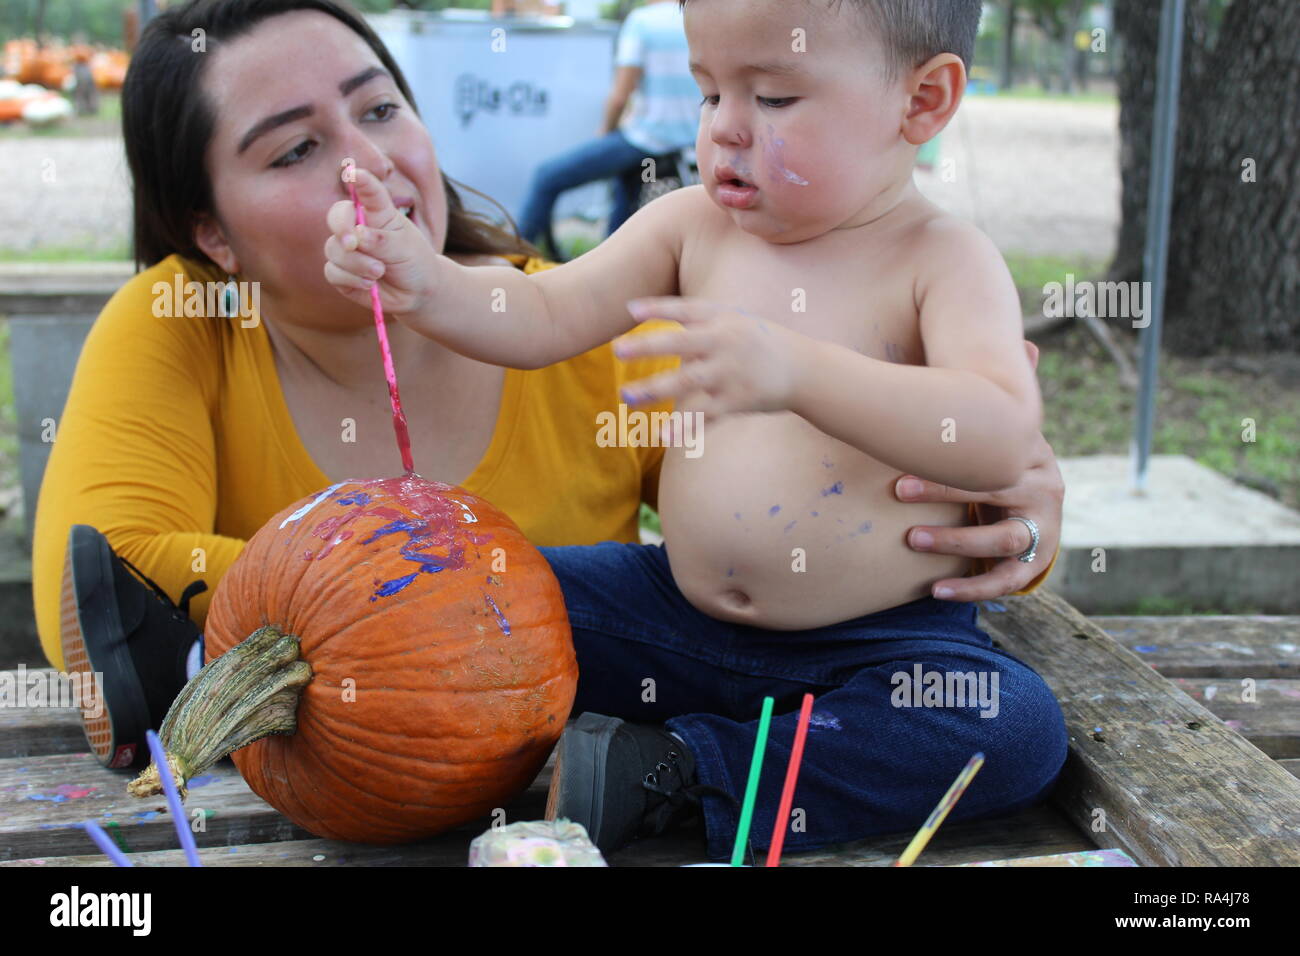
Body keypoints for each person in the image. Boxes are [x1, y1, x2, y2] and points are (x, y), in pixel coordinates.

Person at [35, 0, 1065, 859]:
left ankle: (676, 773)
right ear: (209, 228)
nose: (723, 129)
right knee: (495, 596)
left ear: (922, 101)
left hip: (877, 642)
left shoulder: (944, 259)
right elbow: (536, 314)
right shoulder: (688, 229)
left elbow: (997, 430)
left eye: (774, 97)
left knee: (1011, 726)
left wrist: (801, 373)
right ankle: (197, 662)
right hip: (671, 618)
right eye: (709, 92)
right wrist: (424, 277)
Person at [515, 0, 698, 257]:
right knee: (625, 190)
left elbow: (620, 96)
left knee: (546, 177)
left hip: (646, 138)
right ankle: (608, 260)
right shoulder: (693, 17)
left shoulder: (642, 21)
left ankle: (515, 258)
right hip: (686, 143)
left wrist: (605, 131)